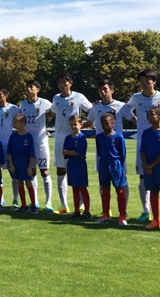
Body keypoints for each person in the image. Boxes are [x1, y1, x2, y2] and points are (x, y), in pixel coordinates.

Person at [120, 68, 160, 223]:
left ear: (154, 81)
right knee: (143, 176)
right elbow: (125, 109)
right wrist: (135, 121)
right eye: (141, 80)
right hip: (144, 141)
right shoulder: (136, 97)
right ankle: (146, 211)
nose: (144, 83)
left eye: (147, 80)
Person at [49, 72, 92, 214]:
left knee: (76, 172)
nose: (62, 85)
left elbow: (92, 110)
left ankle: (80, 205)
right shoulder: (56, 98)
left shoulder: (79, 97)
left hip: (74, 139)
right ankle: (64, 205)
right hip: (59, 139)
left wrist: (84, 124)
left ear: (70, 83)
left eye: (65, 82)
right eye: (60, 82)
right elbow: (54, 112)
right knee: (60, 170)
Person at [84, 79, 129, 205]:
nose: (103, 92)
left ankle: (123, 210)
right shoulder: (96, 107)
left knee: (121, 180)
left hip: (117, 149)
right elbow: (88, 123)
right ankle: (106, 211)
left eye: (105, 89)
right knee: (103, 180)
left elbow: (134, 119)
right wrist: (71, 125)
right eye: (100, 90)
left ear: (112, 90)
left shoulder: (121, 106)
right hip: (102, 149)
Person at [18, 80, 54, 211]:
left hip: (41, 141)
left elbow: (54, 112)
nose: (28, 89)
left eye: (31, 87)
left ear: (37, 89)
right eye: (27, 86)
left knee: (44, 171)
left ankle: (48, 202)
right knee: (31, 172)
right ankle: (35, 201)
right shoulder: (22, 105)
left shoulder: (45, 103)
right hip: (27, 142)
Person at [0, 86, 22, 209]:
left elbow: (20, 122)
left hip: (10, 144)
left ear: (6, 95)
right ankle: (0, 199)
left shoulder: (13, 108)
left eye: (0, 94)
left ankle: (15, 199)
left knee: (13, 173)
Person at [95, 114, 128, 226]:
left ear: (113, 123)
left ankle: (122, 216)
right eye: (102, 123)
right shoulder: (99, 137)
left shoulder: (118, 137)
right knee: (105, 188)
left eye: (107, 123)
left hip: (115, 164)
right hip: (104, 163)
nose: (104, 125)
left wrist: (118, 163)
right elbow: (99, 151)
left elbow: (122, 154)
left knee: (119, 189)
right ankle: (105, 214)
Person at [7, 114, 37, 213]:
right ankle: (23, 205)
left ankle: (33, 205)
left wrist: (30, 167)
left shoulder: (28, 137)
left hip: (25, 162)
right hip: (16, 162)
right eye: (14, 122)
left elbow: (31, 153)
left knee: (28, 182)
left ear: (23, 123)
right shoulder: (13, 136)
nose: (14, 124)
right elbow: (9, 152)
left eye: (16, 122)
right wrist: (11, 164)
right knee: (19, 182)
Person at [63, 115, 91, 219]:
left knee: (82, 188)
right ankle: (76, 210)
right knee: (74, 188)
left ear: (81, 125)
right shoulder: (68, 138)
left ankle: (87, 211)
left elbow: (80, 153)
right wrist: (71, 152)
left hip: (80, 164)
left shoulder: (82, 137)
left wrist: (70, 152)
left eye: (75, 124)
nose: (73, 126)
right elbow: (64, 152)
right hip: (71, 164)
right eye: (71, 124)